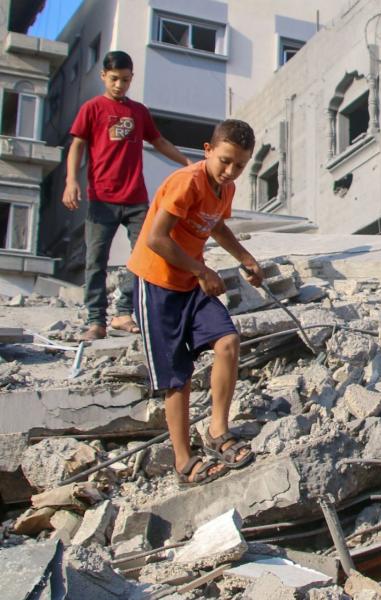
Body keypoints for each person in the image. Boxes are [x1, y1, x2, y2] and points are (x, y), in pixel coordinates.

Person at [127, 119, 263, 486]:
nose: (230, 171)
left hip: (190, 281)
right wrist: (202, 271)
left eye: (240, 165)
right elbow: (156, 238)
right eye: (225, 161)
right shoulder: (186, 182)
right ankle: (183, 460)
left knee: (228, 341)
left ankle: (218, 431)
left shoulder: (225, 188)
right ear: (207, 151)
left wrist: (244, 257)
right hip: (158, 283)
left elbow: (215, 225)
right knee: (177, 376)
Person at [62, 50, 191, 342]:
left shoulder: (138, 112)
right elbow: (77, 146)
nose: (120, 85)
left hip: (135, 199)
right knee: (95, 261)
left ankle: (123, 312)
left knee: (146, 253)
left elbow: (158, 141)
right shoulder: (92, 108)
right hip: (102, 199)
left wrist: (186, 163)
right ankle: (96, 321)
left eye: (126, 80)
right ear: (104, 76)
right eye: (115, 79)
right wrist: (71, 181)